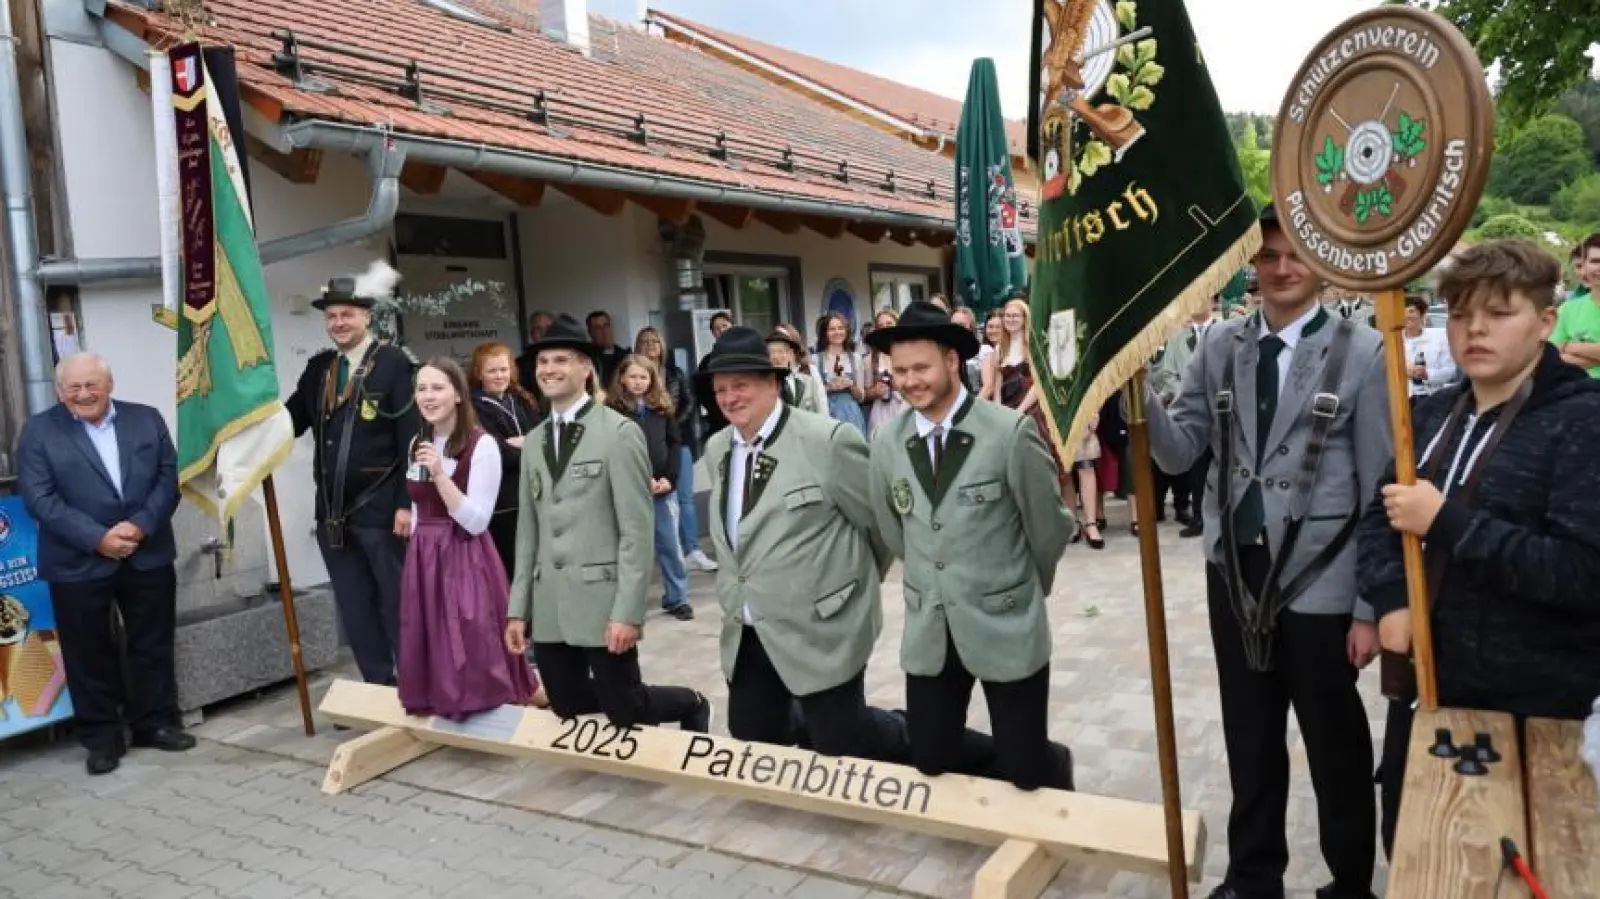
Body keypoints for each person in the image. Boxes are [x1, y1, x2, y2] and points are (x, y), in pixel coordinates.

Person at [1141, 205, 1386, 899]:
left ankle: (1349, 882)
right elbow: (1181, 448)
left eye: (1294, 254)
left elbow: (1379, 487)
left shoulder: (1362, 350)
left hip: (1321, 576)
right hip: (1235, 572)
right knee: (1249, 732)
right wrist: (1133, 389)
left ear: (1323, 263)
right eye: (1268, 256)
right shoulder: (1220, 344)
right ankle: (1253, 875)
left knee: (1335, 741)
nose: (1281, 268)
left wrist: (1370, 606)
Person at [1361, 240, 1600, 855]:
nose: (1475, 330)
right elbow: (1377, 518)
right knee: (1414, 850)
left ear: (1546, 321)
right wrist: (1391, 599)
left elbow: (1581, 573)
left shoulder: (1582, 422)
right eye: (1462, 314)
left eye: (1499, 313)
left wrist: (1447, 522)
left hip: (1536, 712)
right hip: (1427, 688)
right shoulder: (1434, 411)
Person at [866, 302, 1076, 791]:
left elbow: (1049, 527)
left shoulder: (1007, 434)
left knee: (1026, 770)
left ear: (951, 362)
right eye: (899, 371)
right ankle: (1017, 757)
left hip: (1004, 618)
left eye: (920, 367)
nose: (909, 380)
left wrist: (1023, 588)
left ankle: (1046, 763)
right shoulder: (887, 443)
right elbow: (893, 528)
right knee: (931, 755)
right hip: (932, 625)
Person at [699, 327, 924, 763]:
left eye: (740, 385)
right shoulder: (717, 449)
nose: (729, 397)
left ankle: (926, 737)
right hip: (751, 626)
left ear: (773, 382)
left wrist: (851, 586)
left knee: (841, 743)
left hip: (823, 625)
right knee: (753, 735)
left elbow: (880, 525)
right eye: (721, 388)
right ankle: (814, 718)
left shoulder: (828, 441)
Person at [503, 315, 712, 731]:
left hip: (603, 600)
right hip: (550, 603)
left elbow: (636, 531)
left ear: (586, 369)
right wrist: (518, 609)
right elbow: (529, 531)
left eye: (561, 360)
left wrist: (628, 612)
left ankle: (692, 703)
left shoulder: (618, 433)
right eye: (543, 361)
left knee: (627, 708)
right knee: (565, 701)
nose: (549, 369)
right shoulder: (536, 441)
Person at [17, 353, 191, 775]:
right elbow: (40, 498)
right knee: (87, 652)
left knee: (152, 643)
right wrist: (99, 539)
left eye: (91, 385)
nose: (83, 394)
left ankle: (155, 723)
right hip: (77, 561)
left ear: (109, 384)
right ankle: (102, 738)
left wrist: (140, 527)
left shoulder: (146, 419)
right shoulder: (39, 431)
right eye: (73, 388)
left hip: (145, 552)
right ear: (60, 391)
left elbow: (168, 479)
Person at [285, 263, 420, 687]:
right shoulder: (318, 370)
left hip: (383, 511)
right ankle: (379, 687)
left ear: (367, 316)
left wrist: (406, 503)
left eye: (347, 314)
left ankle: (416, 685)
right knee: (354, 604)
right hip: (333, 514)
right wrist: (241, 429)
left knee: (397, 602)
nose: (339, 323)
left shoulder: (395, 364)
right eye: (331, 316)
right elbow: (288, 422)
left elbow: (411, 439)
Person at [400, 358, 542, 719]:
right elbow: (418, 508)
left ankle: (490, 703)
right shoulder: (419, 441)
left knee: (472, 637)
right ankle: (442, 699)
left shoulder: (483, 446)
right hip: (425, 555)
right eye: (421, 388)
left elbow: (476, 521)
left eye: (437, 388)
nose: (428, 397)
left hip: (464, 553)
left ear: (459, 395)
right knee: (432, 634)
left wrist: (440, 476)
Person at [607, 354, 694, 621]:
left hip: (662, 490)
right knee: (631, 551)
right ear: (622, 378)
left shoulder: (661, 408)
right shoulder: (612, 411)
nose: (638, 382)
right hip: (630, 491)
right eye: (632, 376)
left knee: (670, 546)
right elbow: (611, 451)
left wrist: (669, 478)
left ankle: (677, 598)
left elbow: (673, 444)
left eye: (643, 377)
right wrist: (637, 479)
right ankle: (629, 605)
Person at [635, 327, 716, 573]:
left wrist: (671, 423)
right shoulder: (633, 376)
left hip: (678, 441)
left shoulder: (674, 373)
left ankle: (692, 549)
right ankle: (665, 552)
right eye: (646, 342)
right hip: (646, 446)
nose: (651, 347)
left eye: (655, 342)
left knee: (684, 499)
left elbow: (689, 402)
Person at [469, 341, 542, 585]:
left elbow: (542, 440)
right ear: (479, 373)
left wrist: (523, 443)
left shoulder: (521, 401)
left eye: (503, 369)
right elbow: (494, 452)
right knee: (510, 568)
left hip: (531, 495)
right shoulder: (473, 407)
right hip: (503, 502)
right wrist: (524, 446)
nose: (499, 376)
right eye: (492, 371)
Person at [1151, 304, 1217, 538]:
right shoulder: (1179, 338)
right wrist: (1190, 393)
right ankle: (1197, 516)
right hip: (1193, 412)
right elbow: (1168, 373)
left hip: (1223, 416)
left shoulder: (1227, 331)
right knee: (1196, 471)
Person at [1551, 232, 1600, 376]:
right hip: (1576, 390)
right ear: (1584, 266)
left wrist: (1572, 347)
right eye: (1595, 261)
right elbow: (1553, 358)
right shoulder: (1567, 310)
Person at [814, 311, 868, 437]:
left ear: (846, 331)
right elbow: (812, 395)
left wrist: (850, 385)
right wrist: (828, 387)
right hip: (827, 413)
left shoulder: (856, 358)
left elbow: (861, 397)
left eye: (840, 328)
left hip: (852, 415)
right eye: (832, 329)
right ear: (825, 333)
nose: (837, 332)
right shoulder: (816, 360)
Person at [1400, 294, 1455, 401]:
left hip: (1433, 397)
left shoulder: (1440, 336)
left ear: (1422, 314)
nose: (1407, 316)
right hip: (1403, 400)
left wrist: (1426, 374)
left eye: (1412, 311)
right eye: (1402, 311)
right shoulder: (1392, 341)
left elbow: (1451, 371)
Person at [766, 324, 828, 416]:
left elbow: (822, 410)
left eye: (781, 351)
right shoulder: (763, 383)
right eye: (773, 352)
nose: (777, 357)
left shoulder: (808, 379)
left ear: (791, 353)